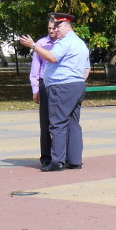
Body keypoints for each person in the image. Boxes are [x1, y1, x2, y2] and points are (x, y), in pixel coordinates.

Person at [19, 12, 90, 172]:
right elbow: (87, 68)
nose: (55, 30)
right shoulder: (80, 43)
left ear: (67, 26)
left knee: (57, 123)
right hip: (77, 85)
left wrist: (33, 46)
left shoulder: (64, 42)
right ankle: (74, 160)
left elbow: (51, 57)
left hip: (62, 86)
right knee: (73, 123)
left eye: (58, 27)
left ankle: (57, 161)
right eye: (54, 27)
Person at [29, 18, 57, 168]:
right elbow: (35, 69)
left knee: (60, 121)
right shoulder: (41, 44)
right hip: (45, 84)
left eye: (54, 28)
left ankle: (61, 155)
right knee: (45, 122)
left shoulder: (64, 43)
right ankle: (46, 157)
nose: (51, 31)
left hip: (60, 84)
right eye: (49, 28)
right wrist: (35, 89)